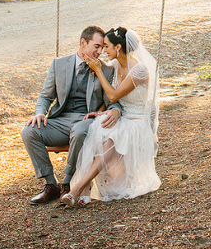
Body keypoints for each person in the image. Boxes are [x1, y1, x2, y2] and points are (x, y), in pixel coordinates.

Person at [20, 25, 121, 205]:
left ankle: (68, 182)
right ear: (83, 43)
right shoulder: (59, 64)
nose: (100, 52)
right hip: (60, 120)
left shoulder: (105, 70)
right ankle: (51, 184)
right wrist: (40, 113)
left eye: (102, 47)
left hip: (86, 120)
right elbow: (45, 95)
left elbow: (112, 100)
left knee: (80, 131)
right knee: (28, 131)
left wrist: (115, 110)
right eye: (96, 46)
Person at [62, 26, 161, 206]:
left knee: (113, 138)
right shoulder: (116, 65)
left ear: (118, 47)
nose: (103, 51)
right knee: (97, 127)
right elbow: (109, 99)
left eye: (106, 46)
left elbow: (114, 95)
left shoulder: (140, 70)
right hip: (123, 117)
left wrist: (99, 71)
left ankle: (76, 189)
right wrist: (101, 111)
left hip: (137, 120)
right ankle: (84, 189)